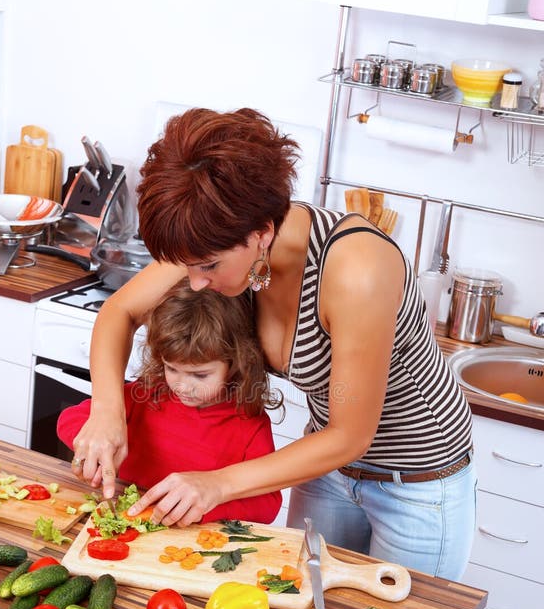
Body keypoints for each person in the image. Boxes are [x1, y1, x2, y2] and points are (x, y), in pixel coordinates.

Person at [71, 107, 476, 580]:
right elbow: (119, 312)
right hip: (326, 466)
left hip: (421, 481)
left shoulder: (356, 268)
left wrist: (218, 484)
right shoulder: (218, 242)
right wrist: (106, 412)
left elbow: (353, 434)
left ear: (262, 232)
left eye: (207, 267)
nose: (196, 283)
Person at [59, 278, 282, 524]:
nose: (183, 385)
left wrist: (202, 508)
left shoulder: (250, 424)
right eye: (172, 368)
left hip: (190, 545)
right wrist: (95, 451)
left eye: (200, 375)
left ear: (235, 363)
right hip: (125, 523)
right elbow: (70, 419)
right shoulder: (146, 394)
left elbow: (267, 505)